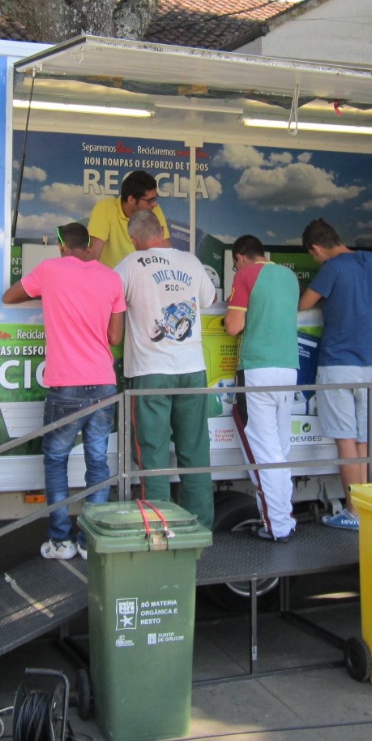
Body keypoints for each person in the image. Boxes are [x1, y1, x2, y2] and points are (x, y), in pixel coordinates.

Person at [2, 222, 125, 560]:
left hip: (66, 384)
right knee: (97, 463)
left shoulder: (50, 270)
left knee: (56, 460)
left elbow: (9, 296)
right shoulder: (112, 278)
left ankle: (61, 541)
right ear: (88, 246)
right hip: (103, 382)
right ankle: (89, 542)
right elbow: (115, 337)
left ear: (61, 245)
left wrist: (47, 293)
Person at [116, 210, 218, 529]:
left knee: (152, 454)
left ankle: (159, 528)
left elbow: (107, 300)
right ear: (162, 230)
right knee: (195, 451)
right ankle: (201, 526)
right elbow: (210, 299)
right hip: (192, 369)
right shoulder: (191, 261)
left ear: (134, 240)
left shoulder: (130, 265)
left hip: (150, 371)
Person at [298, 219, 372, 530]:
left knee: (346, 441)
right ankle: (366, 509)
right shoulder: (369, 261)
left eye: (313, 255)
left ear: (316, 248)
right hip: (368, 367)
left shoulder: (332, 268)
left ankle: (354, 513)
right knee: (364, 441)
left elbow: (304, 304)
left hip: (337, 364)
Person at [225, 235, 300, 542]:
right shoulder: (289, 276)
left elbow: (233, 326)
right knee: (280, 450)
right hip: (289, 368)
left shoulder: (246, 275)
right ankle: (284, 518)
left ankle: (276, 525)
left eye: (234, 264)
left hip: (257, 369)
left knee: (265, 452)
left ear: (240, 257)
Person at [88, 169, 171, 268]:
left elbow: (166, 252)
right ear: (131, 199)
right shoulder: (105, 208)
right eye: (150, 200)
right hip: (111, 275)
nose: (155, 204)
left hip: (142, 275)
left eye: (155, 198)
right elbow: (93, 256)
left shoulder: (154, 210)